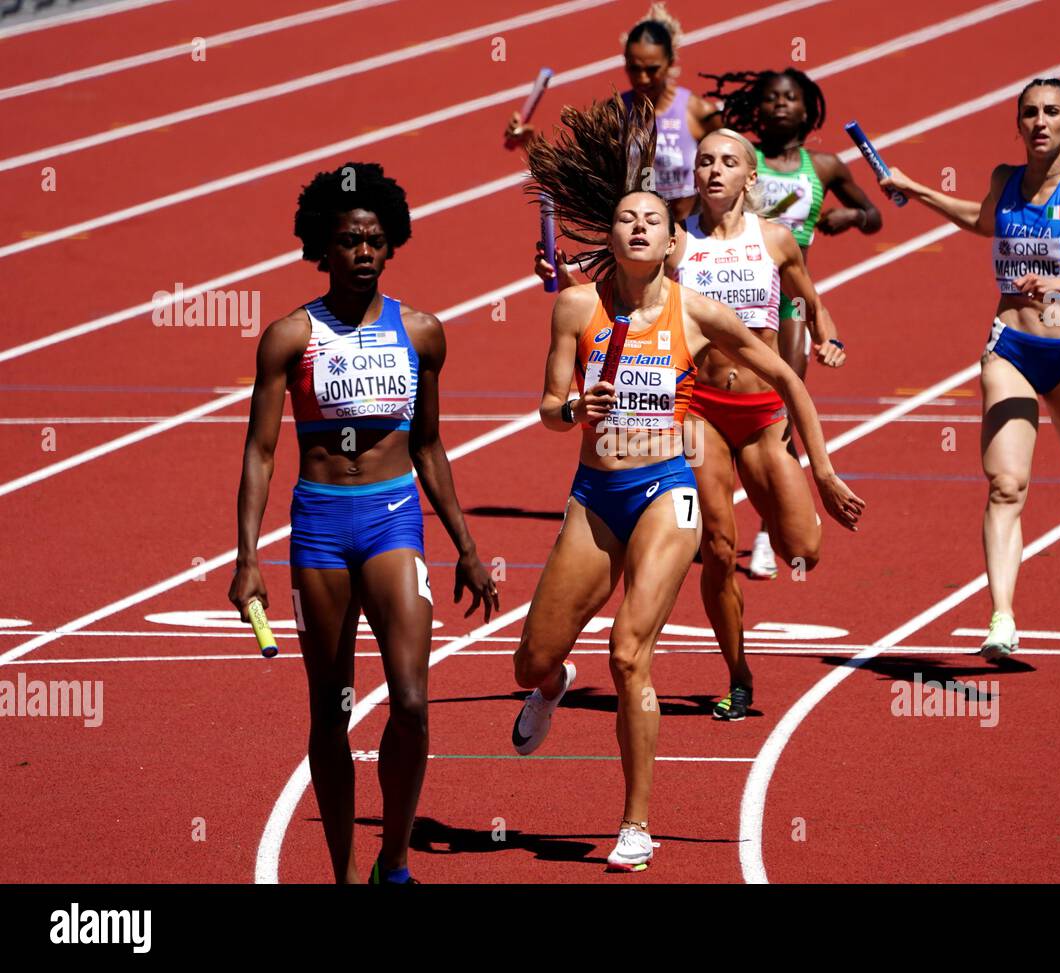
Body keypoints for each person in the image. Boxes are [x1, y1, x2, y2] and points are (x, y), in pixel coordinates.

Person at [515, 96, 862, 869]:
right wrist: (575, 406)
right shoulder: (577, 306)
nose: (638, 226)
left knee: (630, 650)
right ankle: (552, 682)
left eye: (651, 218)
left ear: (673, 241)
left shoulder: (697, 311)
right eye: (625, 218)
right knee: (530, 660)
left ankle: (637, 821)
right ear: (609, 236)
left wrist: (826, 468)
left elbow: (788, 378)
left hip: (665, 486)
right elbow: (545, 408)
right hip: (594, 494)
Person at [229, 161, 498, 884]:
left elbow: (430, 443)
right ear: (325, 248)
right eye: (349, 241)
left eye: (376, 240)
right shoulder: (289, 337)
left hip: (392, 520)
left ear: (393, 244)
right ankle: (346, 871)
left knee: (410, 702)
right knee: (330, 711)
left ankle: (395, 859)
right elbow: (259, 451)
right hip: (319, 527)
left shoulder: (422, 332)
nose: (364, 253)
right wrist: (248, 556)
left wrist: (467, 546)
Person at [878, 78, 1060, 661]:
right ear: (1018, 124)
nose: (1039, 122)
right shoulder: (1004, 182)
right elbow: (982, 221)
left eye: (1051, 113)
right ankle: (1001, 617)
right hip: (1010, 349)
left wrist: (1059, 283)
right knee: (1006, 486)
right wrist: (914, 188)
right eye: (1029, 113)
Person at [702, 66, 883, 576]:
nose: (781, 105)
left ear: (808, 110)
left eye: (791, 98)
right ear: (757, 109)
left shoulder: (822, 165)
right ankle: (709, 510)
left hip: (788, 296)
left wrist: (851, 218)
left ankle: (768, 524)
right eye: (772, 98)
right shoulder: (741, 156)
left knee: (784, 394)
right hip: (730, 290)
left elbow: (875, 215)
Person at [504, 3, 721, 221]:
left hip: (690, 238)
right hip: (639, 241)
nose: (642, 78)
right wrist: (529, 142)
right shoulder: (612, 114)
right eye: (634, 68)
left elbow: (732, 169)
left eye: (652, 69)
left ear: (670, 62)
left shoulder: (698, 112)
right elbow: (572, 173)